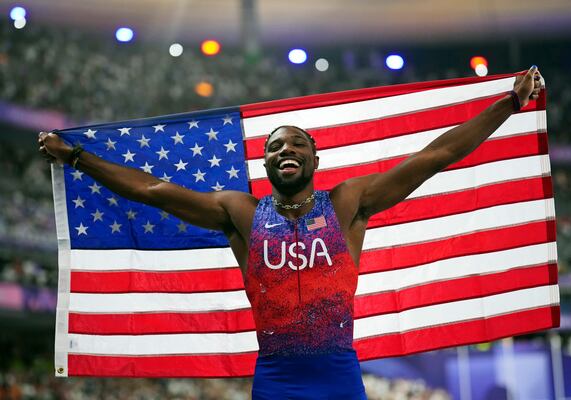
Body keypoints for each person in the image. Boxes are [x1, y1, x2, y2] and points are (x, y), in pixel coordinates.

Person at [39, 67, 542, 399]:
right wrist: (78, 157)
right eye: (277, 145)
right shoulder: (240, 212)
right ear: (266, 162)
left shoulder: (347, 203)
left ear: (314, 159)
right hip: (277, 377)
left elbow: (436, 157)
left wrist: (508, 104)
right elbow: (151, 190)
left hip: (339, 374)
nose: (287, 150)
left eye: (297, 144)